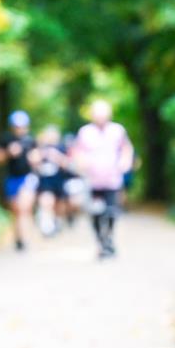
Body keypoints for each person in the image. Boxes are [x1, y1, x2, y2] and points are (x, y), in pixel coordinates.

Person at [73, 100, 134, 259]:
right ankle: (102, 242)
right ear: (92, 116)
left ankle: (109, 239)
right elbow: (77, 151)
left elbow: (127, 148)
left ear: (109, 115)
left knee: (112, 212)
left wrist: (125, 162)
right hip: (92, 181)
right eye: (97, 115)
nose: (100, 118)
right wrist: (81, 164)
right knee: (95, 213)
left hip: (112, 179)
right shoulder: (85, 132)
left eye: (103, 114)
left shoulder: (117, 130)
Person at [0, 110, 37, 251]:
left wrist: (34, 158)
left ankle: (25, 239)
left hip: (27, 178)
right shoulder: (6, 139)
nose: (20, 129)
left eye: (22, 126)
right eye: (17, 126)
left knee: (24, 207)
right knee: (16, 210)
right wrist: (8, 153)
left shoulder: (30, 140)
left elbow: (37, 157)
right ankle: (18, 238)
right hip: (12, 178)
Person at [30, 125, 69, 237]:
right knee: (46, 202)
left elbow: (67, 164)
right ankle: (47, 226)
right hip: (45, 182)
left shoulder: (61, 148)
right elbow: (33, 161)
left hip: (58, 181)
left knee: (58, 206)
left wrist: (56, 157)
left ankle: (57, 222)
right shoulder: (40, 148)